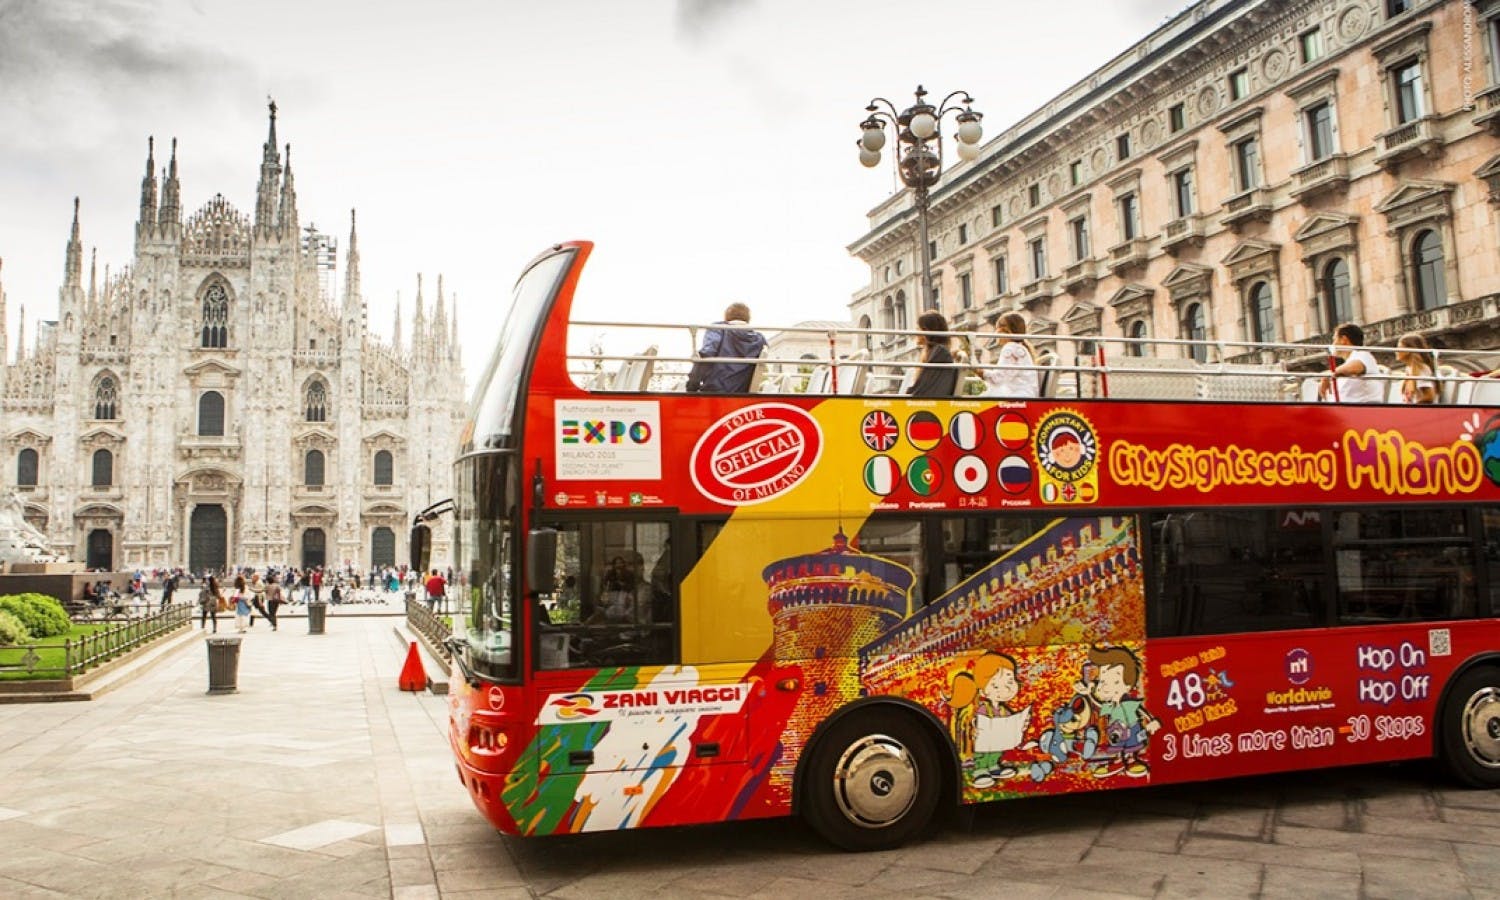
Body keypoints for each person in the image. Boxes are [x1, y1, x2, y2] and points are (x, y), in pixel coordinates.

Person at [685, 302, 768, 393]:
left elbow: (707, 354)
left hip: (715, 392)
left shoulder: (719, 328)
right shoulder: (760, 339)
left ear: (727, 316)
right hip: (743, 393)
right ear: (748, 318)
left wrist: (692, 385)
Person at [1318, 322, 1383, 404]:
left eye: (1334, 339)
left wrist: (1328, 376)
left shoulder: (1362, 354)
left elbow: (1355, 367)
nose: (1333, 344)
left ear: (1343, 340)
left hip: (1361, 410)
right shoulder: (1349, 361)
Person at [981, 312, 1039, 398]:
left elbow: (997, 379)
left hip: (1019, 396)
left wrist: (979, 371)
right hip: (1023, 393)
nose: (995, 334)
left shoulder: (1011, 348)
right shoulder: (1018, 348)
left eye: (997, 329)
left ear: (1005, 330)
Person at [908, 311, 959, 398]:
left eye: (918, 328)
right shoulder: (934, 352)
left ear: (926, 331)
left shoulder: (939, 352)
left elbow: (923, 387)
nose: (916, 332)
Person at [1396, 332, 1438, 405]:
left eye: (1399, 348)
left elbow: (1429, 396)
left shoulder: (1421, 369)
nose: (1396, 351)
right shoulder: (1409, 369)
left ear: (1409, 350)